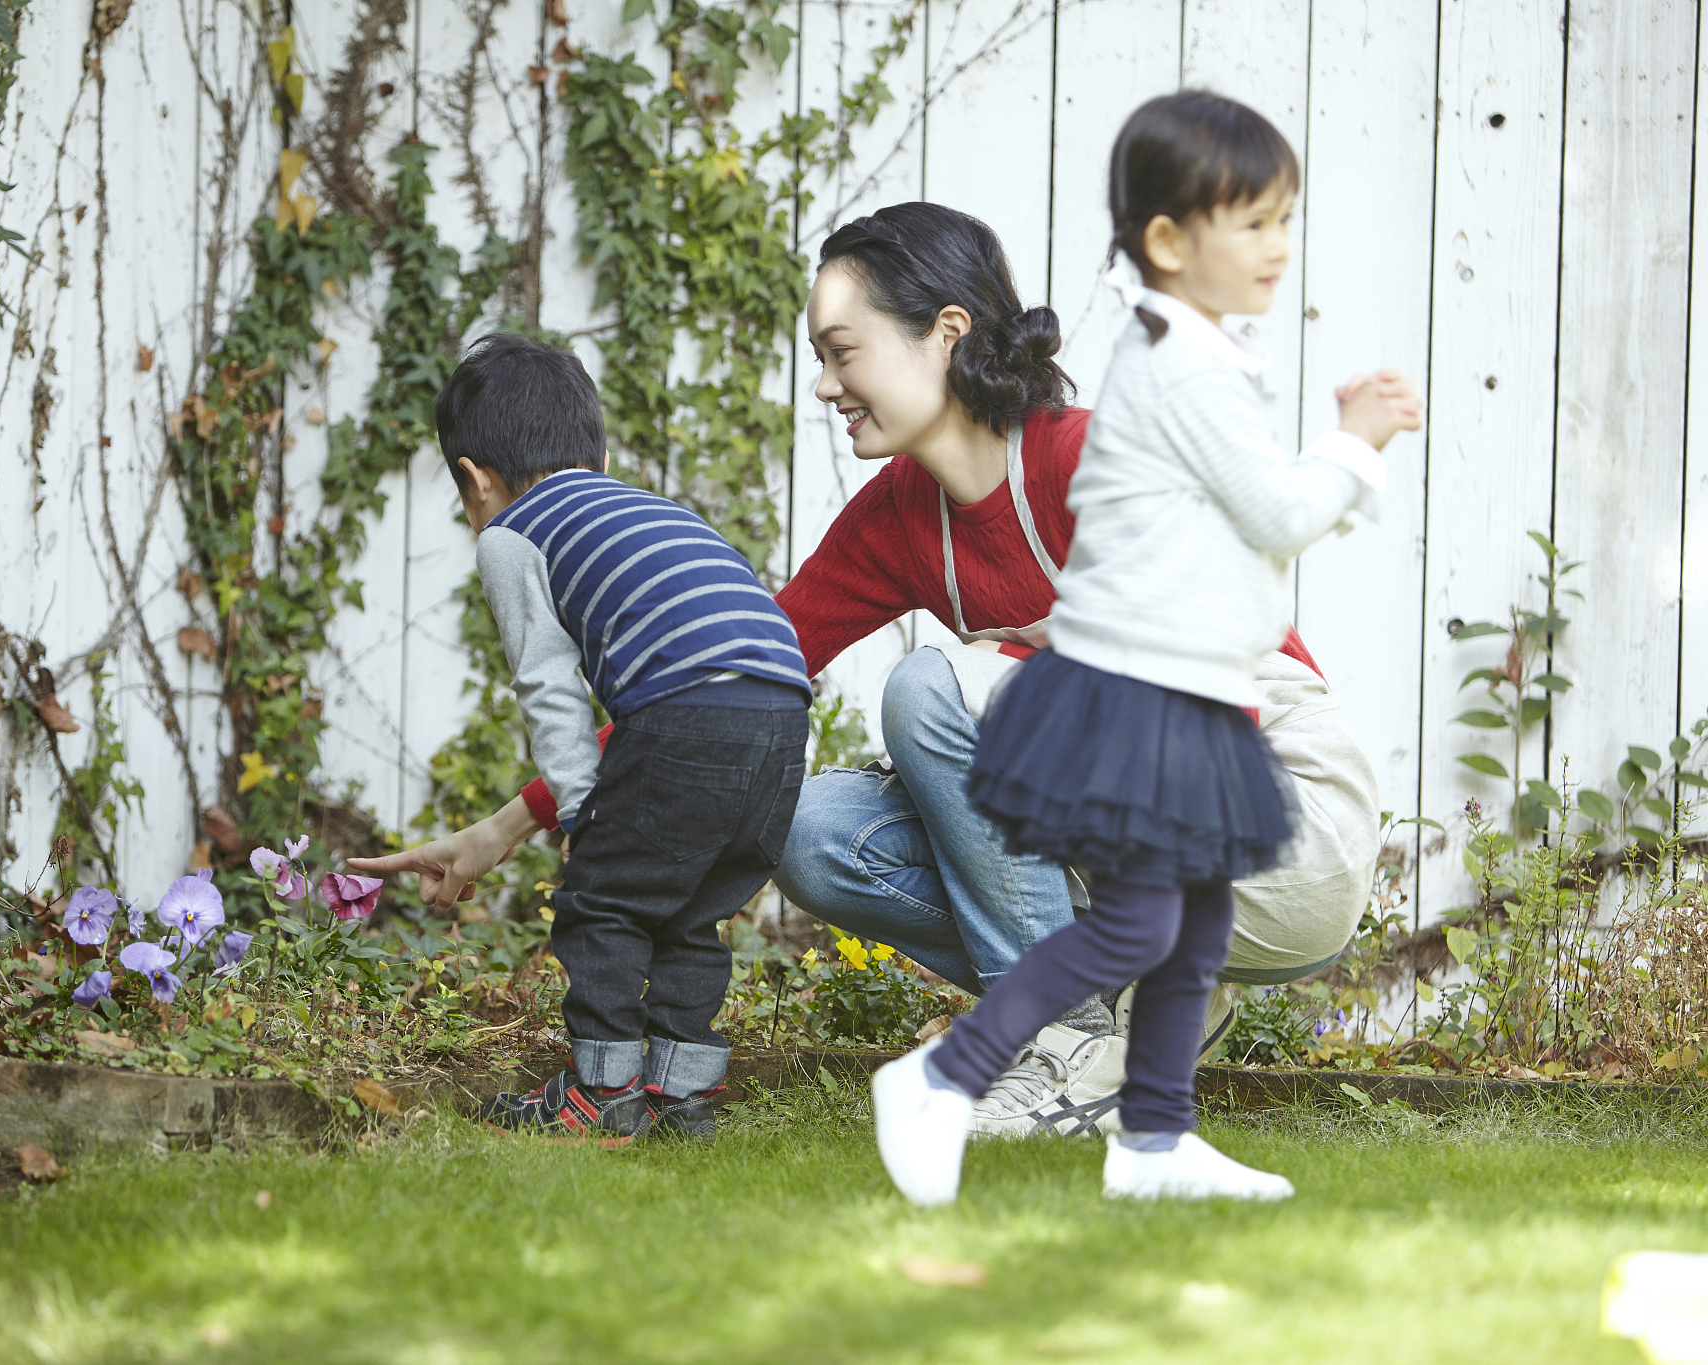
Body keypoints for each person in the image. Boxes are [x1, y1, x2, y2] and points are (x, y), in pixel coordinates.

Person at [352, 201, 1384, 1143]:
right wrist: (503, 828)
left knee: (933, 690)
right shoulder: (895, 520)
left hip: (1284, 830)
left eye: (842, 351)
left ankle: (1061, 1041)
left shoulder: (1088, 457)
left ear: (945, 332)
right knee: (799, 828)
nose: (823, 384)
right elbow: (708, 688)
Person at [869, 90, 1420, 1207]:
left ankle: (1153, 1142)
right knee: (1141, 921)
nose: (1276, 246)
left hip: (1195, 694)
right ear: (1168, 240)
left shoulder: (1194, 351)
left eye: (1282, 220)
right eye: (1253, 223)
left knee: (1195, 923)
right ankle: (944, 1075)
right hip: (1144, 699)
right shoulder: (1182, 365)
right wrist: (1353, 446)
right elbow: (1274, 513)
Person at [437, 334, 812, 1142]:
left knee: (601, 897)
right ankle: (682, 1095)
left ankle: (601, 1092)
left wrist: (580, 815)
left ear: (475, 479)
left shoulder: (513, 534)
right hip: (783, 714)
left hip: (684, 713)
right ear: (597, 450)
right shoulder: (651, 510)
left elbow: (549, 688)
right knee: (689, 906)